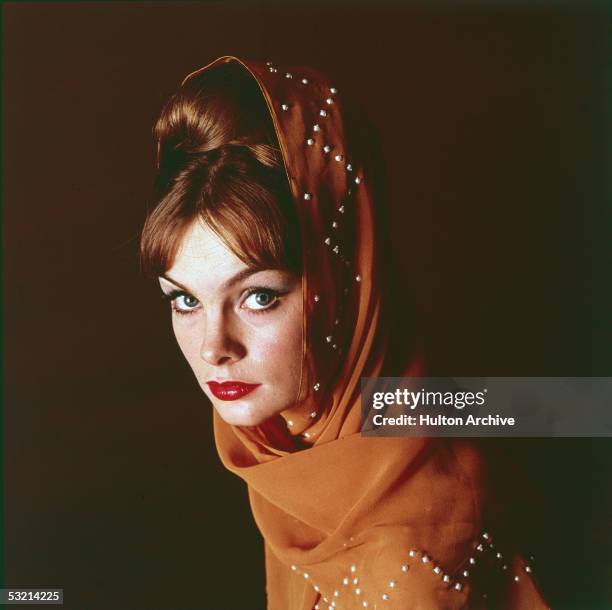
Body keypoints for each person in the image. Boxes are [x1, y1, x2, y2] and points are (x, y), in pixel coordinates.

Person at [140, 55, 551, 609]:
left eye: (259, 297)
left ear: (342, 290)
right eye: (185, 299)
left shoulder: (411, 549)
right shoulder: (316, 432)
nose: (215, 348)